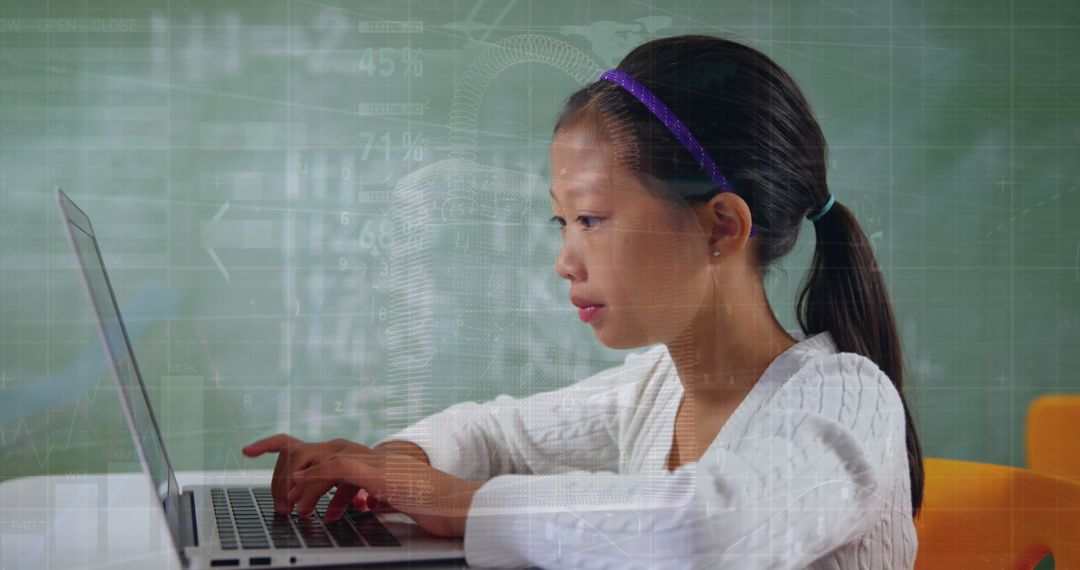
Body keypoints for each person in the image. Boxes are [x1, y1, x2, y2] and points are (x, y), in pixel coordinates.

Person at [244, 34, 923, 569]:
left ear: (720, 227)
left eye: (592, 220)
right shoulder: (656, 391)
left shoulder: (848, 399)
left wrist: (461, 504)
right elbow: (494, 433)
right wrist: (395, 465)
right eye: (560, 223)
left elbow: (704, 531)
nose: (565, 261)